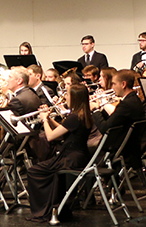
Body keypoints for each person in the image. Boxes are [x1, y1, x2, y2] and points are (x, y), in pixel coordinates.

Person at [25, 84, 93, 222]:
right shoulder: (82, 114)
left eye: (67, 94)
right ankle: (53, 207)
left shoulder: (74, 117)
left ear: (74, 97)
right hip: (78, 155)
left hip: (70, 158)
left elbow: (50, 137)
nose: (65, 97)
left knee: (34, 171)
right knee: (45, 171)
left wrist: (44, 119)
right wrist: (50, 119)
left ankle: (45, 209)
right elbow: (64, 130)